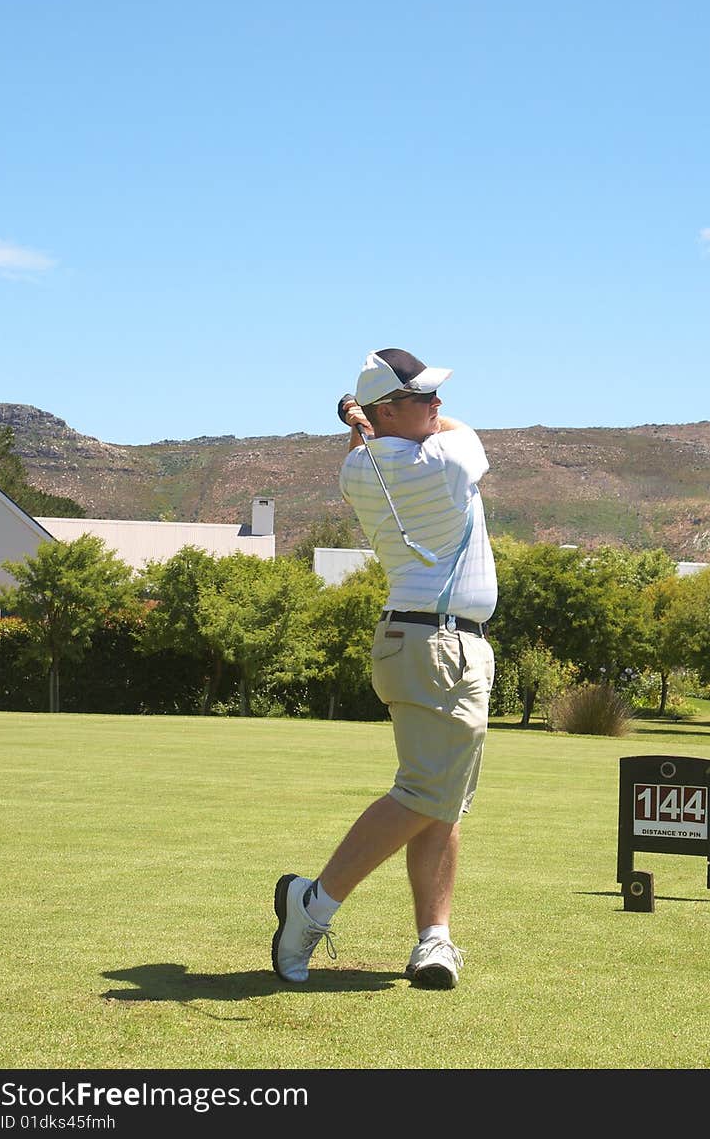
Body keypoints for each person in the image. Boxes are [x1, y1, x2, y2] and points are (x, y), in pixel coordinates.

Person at [271, 347, 497, 989]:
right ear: (389, 409)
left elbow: (381, 443)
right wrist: (365, 417)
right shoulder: (450, 458)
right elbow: (458, 432)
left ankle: (434, 940)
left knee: (441, 798)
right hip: (440, 646)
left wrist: (363, 420)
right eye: (424, 397)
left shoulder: (357, 470)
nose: (438, 406)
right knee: (426, 793)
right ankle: (312, 904)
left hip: (427, 642)